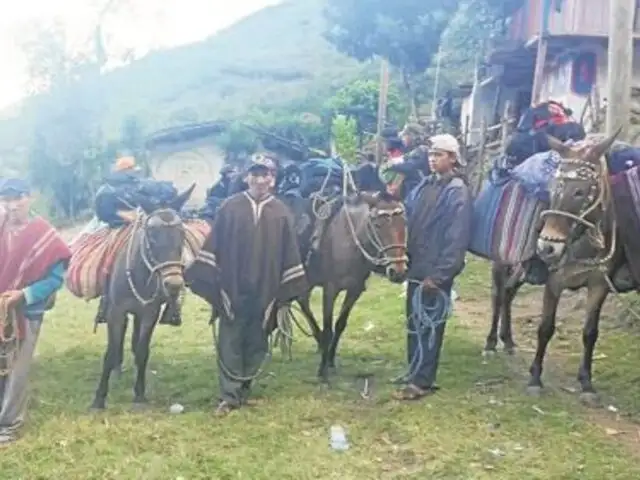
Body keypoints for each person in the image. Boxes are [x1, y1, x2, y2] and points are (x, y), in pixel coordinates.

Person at [186, 155, 308, 416]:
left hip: (266, 287)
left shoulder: (281, 212)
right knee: (230, 338)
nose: (260, 179)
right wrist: (211, 281)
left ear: (272, 179)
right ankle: (228, 396)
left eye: (265, 174)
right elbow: (215, 243)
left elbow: (290, 252)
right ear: (246, 177)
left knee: (257, 340)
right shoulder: (230, 207)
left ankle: (245, 388)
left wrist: (286, 290)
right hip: (233, 285)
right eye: (255, 174)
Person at [394, 134, 472, 401]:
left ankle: (422, 381)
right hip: (416, 268)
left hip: (435, 273)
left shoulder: (457, 191)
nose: (432, 159)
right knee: (414, 324)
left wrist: (440, 276)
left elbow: (456, 239)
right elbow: (407, 218)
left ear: (452, 158)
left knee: (430, 327)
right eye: (430, 155)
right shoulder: (424, 186)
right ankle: (414, 371)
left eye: (438, 155)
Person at [0, 178, 71, 445]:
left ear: (29, 198)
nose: (11, 205)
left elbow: (54, 280)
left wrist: (23, 295)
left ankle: (8, 424)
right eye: (5, 199)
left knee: (17, 368)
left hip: (25, 311)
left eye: (16, 198)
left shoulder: (45, 235)